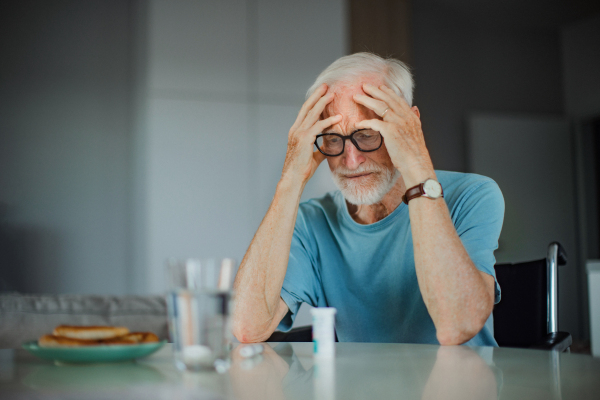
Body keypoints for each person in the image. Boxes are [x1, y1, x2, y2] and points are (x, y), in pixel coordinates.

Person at [233, 53, 504, 346]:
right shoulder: (312, 223)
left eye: (367, 134)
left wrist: (417, 165)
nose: (351, 161)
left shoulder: (473, 195)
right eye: (334, 139)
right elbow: (247, 327)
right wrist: (290, 182)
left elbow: (458, 325)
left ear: (408, 126)